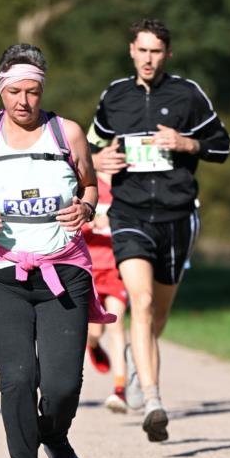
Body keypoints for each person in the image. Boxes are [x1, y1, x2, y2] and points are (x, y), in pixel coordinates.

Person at [0, 43, 110, 458]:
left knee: (63, 384)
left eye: (33, 92)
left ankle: (54, 438)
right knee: (18, 378)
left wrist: (85, 206)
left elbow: (90, 185)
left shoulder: (68, 134)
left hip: (65, 271)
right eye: (15, 91)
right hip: (2, 275)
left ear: (43, 90)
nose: (24, 101)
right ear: (1, 89)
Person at [89, 19, 230, 442]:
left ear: (167, 54)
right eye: (142, 50)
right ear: (131, 50)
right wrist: (99, 163)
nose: (148, 58)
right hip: (130, 212)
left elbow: (223, 145)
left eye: (156, 51)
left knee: (159, 312)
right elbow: (92, 146)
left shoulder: (187, 94)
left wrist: (187, 144)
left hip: (177, 214)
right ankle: (152, 400)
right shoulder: (113, 96)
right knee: (142, 299)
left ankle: (137, 356)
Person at [82, 174, 129, 413]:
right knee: (94, 331)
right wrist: (92, 223)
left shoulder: (126, 182)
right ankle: (93, 344)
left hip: (116, 267)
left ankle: (119, 390)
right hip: (89, 268)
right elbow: (70, 222)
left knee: (116, 325)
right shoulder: (86, 184)